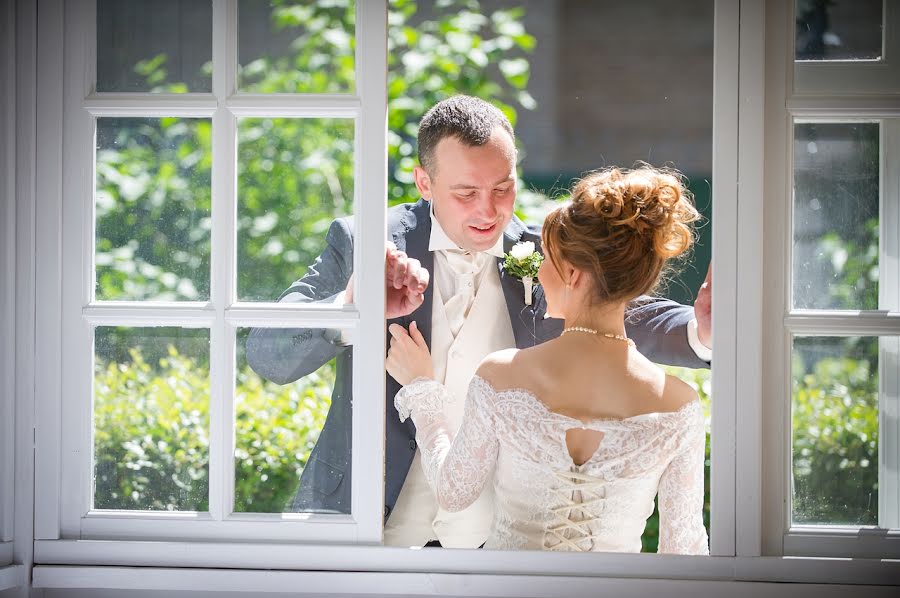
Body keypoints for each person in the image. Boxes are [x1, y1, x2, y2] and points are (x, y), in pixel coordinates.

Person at [245, 95, 711, 548]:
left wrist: (700, 332)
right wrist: (353, 304)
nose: (488, 211)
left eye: (502, 188)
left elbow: (628, 311)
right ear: (424, 183)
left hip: (490, 548)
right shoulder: (364, 241)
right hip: (368, 524)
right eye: (466, 193)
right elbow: (268, 355)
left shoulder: (548, 254)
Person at [385, 165, 709, 554]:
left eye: (547, 258)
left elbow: (454, 492)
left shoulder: (502, 374)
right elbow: (684, 551)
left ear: (571, 273)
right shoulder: (680, 406)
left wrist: (422, 391)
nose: (539, 271)